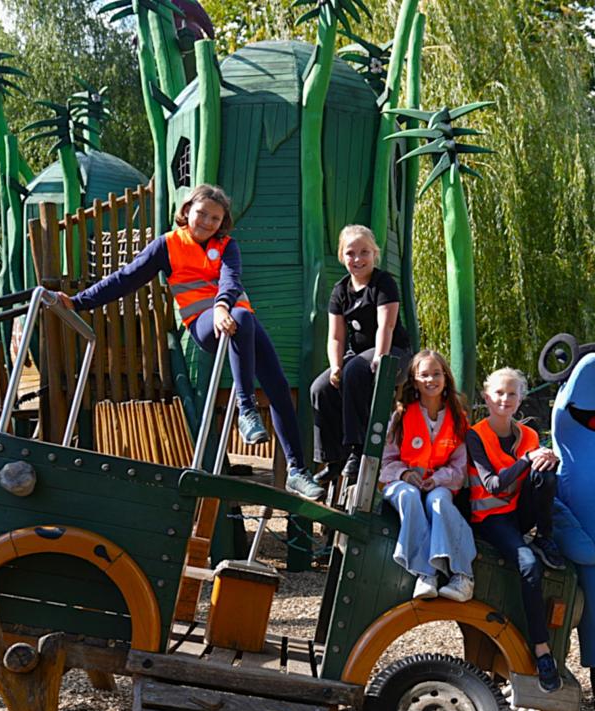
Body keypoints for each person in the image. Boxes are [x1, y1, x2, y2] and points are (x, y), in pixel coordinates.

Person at [59, 184, 324, 500]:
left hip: (237, 319)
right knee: (240, 318)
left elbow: (230, 280)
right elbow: (125, 278)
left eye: (215, 218)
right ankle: (246, 408)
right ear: (187, 211)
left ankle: (296, 471)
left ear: (222, 222)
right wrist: (79, 302)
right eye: (202, 214)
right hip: (203, 322)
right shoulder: (167, 245)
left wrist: (223, 304)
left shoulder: (227, 246)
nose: (207, 222)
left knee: (276, 382)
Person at [466, 368, 566, 692]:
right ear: (486, 397)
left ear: (521, 399)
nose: (505, 399)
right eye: (499, 393)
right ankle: (541, 649)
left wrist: (547, 458)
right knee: (528, 564)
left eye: (512, 394)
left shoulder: (529, 435)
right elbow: (493, 485)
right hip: (490, 519)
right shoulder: (476, 435)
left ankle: (545, 538)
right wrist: (527, 459)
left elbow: (536, 478)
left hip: (518, 514)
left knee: (547, 473)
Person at [310, 225, 411, 484]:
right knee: (320, 387)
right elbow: (335, 336)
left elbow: (386, 326)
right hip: (357, 355)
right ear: (342, 256)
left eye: (364, 252)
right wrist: (335, 367)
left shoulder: (383, 283)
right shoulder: (340, 290)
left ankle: (356, 448)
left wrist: (380, 357)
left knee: (355, 369)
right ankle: (333, 458)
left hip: (393, 353)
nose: (358, 259)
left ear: (375, 253)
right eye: (351, 253)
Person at [381, 350, 475, 601]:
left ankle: (463, 575)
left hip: (439, 482)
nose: (431, 380)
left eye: (436, 374)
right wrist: (404, 473)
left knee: (439, 501)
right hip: (401, 482)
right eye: (424, 375)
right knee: (409, 496)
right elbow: (386, 461)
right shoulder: (401, 415)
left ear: (445, 378)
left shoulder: (457, 418)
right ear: (414, 380)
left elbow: (459, 466)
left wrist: (438, 479)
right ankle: (426, 574)